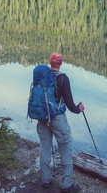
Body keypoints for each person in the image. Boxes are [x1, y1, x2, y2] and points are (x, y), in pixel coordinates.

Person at [37, 52, 84, 193]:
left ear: (50, 62)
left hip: (42, 116)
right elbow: (70, 104)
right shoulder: (63, 78)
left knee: (44, 147)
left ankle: (45, 180)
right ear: (61, 63)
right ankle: (66, 185)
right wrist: (78, 109)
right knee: (65, 148)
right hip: (57, 118)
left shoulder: (41, 75)